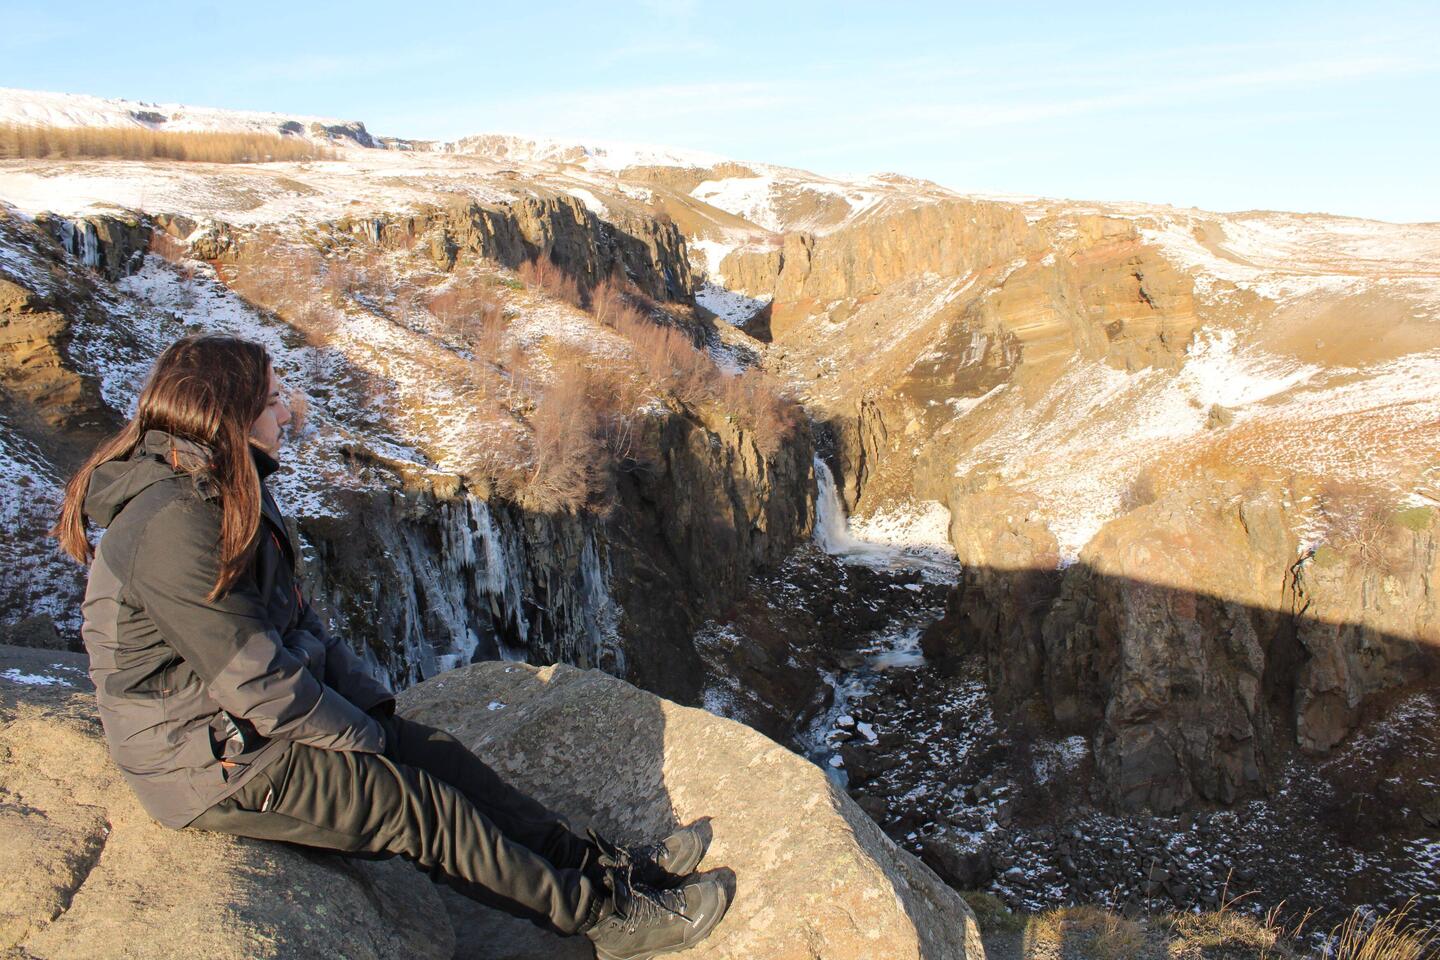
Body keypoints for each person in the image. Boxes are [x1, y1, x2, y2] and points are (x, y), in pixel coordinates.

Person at [52, 334, 730, 959]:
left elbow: (298, 625)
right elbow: (254, 680)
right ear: (228, 413)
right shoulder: (174, 523)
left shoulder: (224, 487)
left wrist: (375, 716)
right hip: (211, 761)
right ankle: (605, 919)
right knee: (419, 807)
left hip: (244, 726)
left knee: (440, 756)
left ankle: (597, 869)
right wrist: (361, 740)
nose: (287, 412)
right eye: (272, 399)